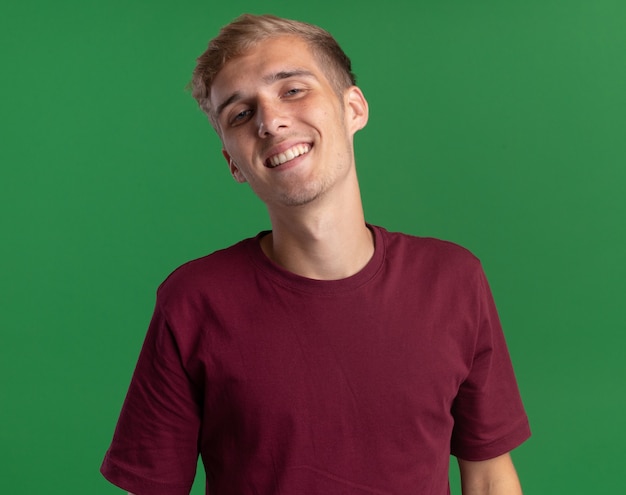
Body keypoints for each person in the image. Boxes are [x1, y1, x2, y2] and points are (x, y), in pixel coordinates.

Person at [101, 13, 530, 495]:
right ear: (233, 163)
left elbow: (490, 476)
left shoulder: (453, 280)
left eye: (292, 90)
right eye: (240, 114)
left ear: (354, 109)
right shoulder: (193, 302)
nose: (270, 120)